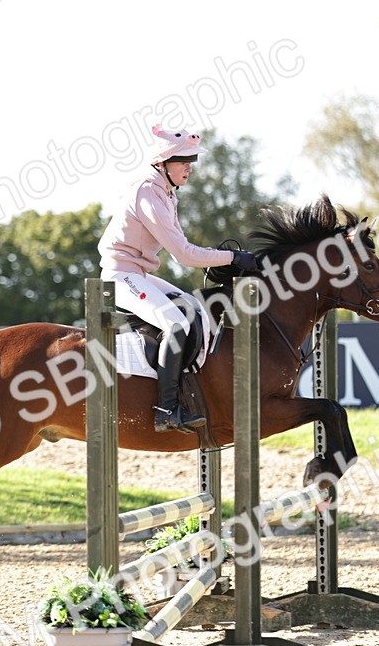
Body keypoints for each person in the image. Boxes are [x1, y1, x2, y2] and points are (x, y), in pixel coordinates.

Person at [98, 125, 259, 433]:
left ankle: (185, 395)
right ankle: (166, 410)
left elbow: (184, 251)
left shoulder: (166, 192)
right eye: (183, 159)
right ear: (162, 162)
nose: (189, 166)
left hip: (138, 273)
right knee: (177, 323)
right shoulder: (147, 191)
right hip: (121, 275)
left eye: (192, 160)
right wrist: (233, 258)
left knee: (193, 308)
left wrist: (228, 261)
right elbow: (183, 254)